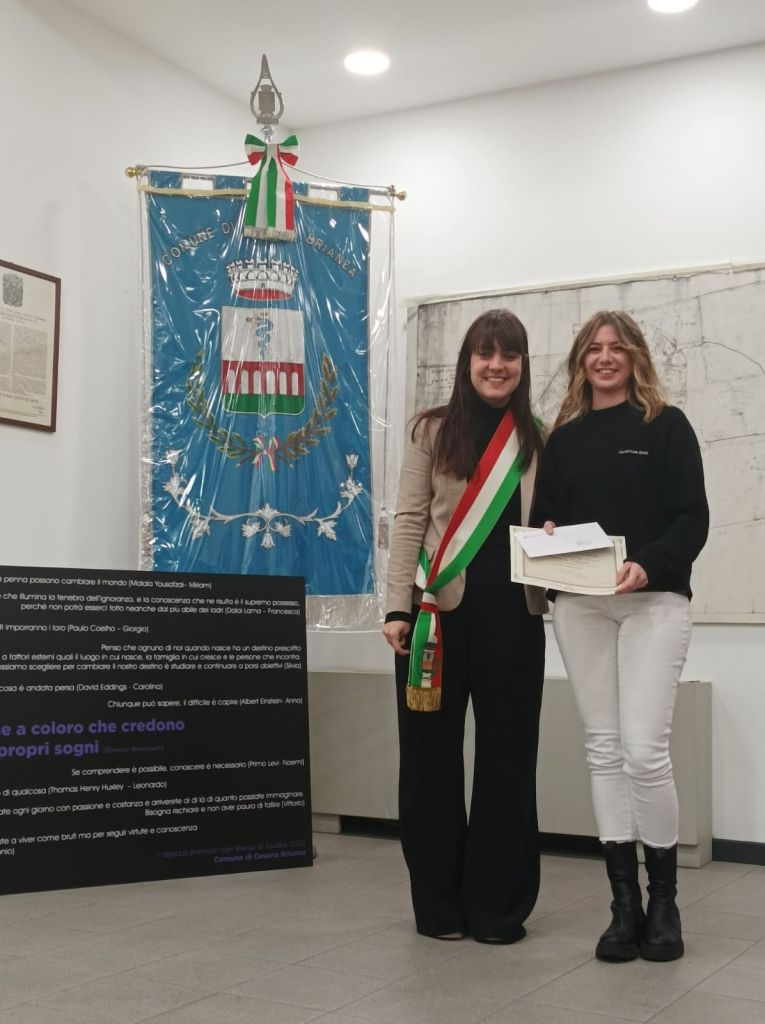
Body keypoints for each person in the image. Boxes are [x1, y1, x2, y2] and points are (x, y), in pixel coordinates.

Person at [533, 310, 708, 963]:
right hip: (580, 607)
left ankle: (663, 903)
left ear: (635, 356)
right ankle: (623, 906)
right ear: (581, 361)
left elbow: (692, 518)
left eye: (616, 347)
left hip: (653, 602)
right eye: (593, 349)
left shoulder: (666, 425)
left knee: (644, 751)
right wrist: (547, 536)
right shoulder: (563, 438)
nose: (604, 358)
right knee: (604, 749)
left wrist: (648, 564)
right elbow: (546, 518)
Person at [383, 309, 547, 943]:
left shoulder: (537, 437)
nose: (496, 366)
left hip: (514, 620)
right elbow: (408, 519)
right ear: (468, 362)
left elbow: (553, 520)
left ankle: (495, 908)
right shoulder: (431, 430)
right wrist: (397, 607)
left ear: (522, 365)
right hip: (434, 620)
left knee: (508, 764)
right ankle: (439, 907)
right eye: (485, 354)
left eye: (509, 355)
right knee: (429, 766)